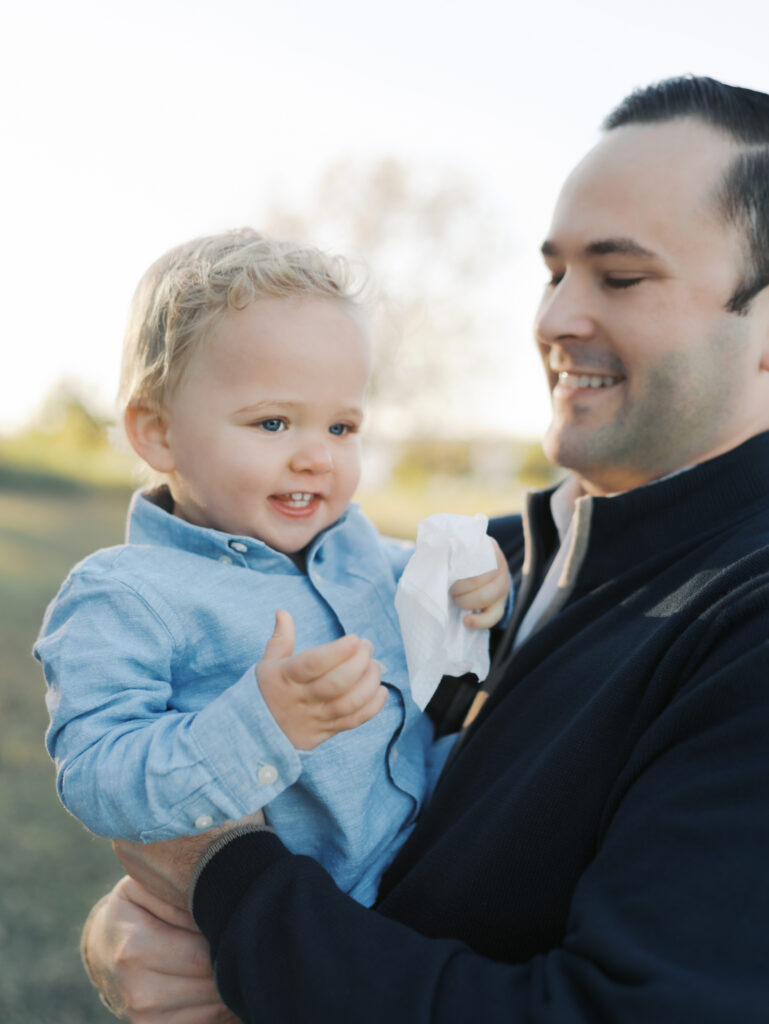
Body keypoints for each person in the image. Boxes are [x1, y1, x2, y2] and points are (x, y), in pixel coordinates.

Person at [83, 74, 769, 1022]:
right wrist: (138, 935)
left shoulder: (746, 631)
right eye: (554, 271)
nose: (554, 319)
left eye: (619, 276)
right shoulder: (481, 567)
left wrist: (226, 885)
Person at [34, 230, 510, 909]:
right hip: (315, 931)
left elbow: (443, 596)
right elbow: (98, 776)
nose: (317, 457)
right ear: (157, 432)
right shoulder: (126, 596)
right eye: (273, 424)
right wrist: (263, 725)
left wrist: (482, 584)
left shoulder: (355, 546)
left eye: (341, 428)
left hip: (441, 863)